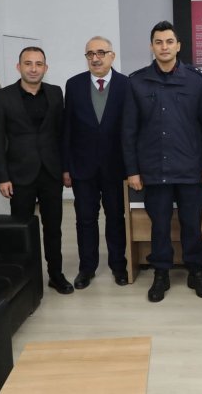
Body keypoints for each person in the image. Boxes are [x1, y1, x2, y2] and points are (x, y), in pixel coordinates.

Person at [122, 20, 202, 303]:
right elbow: (128, 130)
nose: (164, 47)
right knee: (159, 225)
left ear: (178, 46)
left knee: (192, 224)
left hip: (190, 168)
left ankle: (195, 271)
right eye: (158, 42)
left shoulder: (195, 81)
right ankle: (160, 273)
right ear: (152, 47)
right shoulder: (137, 81)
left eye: (169, 42)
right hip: (154, 169)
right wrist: (132, 170)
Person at [0, 47, 73, 295]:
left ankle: (56, 275)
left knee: (53, 228)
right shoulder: (2, 97)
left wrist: (66, 168)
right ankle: (25, 278)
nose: (33, 69)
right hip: (19, 174)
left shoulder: (56, 93)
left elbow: (62, 134)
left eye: (38, 64)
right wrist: (2, 176)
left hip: (51, 172)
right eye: (28, 63)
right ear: (19, 67)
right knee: (22, 230)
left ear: (46, 68)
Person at [62, 36, 129, 289]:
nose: (95, 58)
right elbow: (67, 128)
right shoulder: (74, 85)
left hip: (116, 167)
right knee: (85, 220)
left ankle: (119, 266)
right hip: (83, 167)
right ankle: (86, 268)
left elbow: (131, 128)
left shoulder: (126, 85)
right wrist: (66, 167)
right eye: (90, 54)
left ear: (112, 56)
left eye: (101, 52)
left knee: (116, 218)